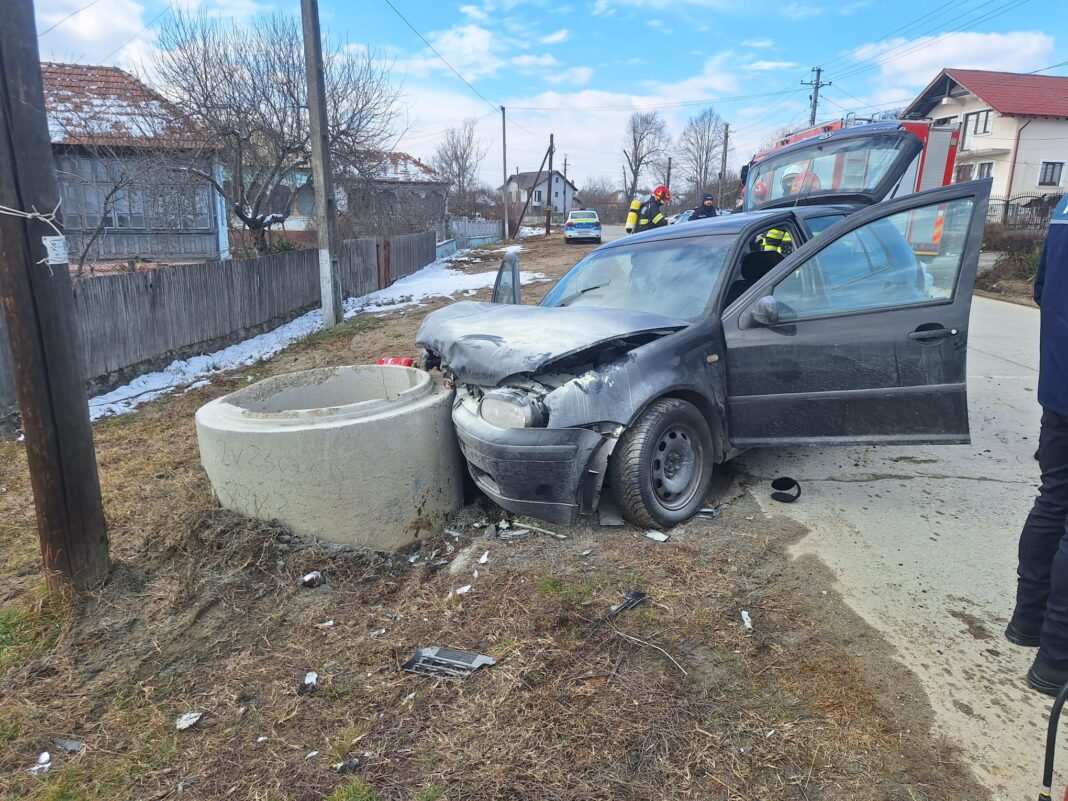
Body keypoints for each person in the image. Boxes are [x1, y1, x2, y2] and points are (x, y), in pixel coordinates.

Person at [1007, 193, 1068, 696]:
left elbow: (1043, 290)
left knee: (1054, 501)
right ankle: (1056, 661)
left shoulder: (1065, 205)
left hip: (1060, 386)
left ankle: (1027, 624)